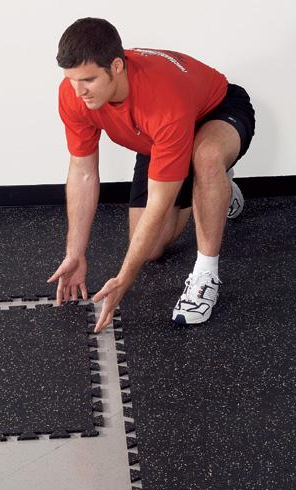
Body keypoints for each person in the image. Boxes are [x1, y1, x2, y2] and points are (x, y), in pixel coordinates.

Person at [47, 17, 255, 332]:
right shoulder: (74, 94)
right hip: (157, 139)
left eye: (88, 80)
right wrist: (75, 252)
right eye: (72, 80)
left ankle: (206, 274)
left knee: (207, 157)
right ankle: (219, 191)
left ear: (116, 66)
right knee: (152, 247)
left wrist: (124, 279)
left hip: (215, 111)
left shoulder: (161, 99)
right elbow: (83, 172)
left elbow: (160, 200)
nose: (78, 91)